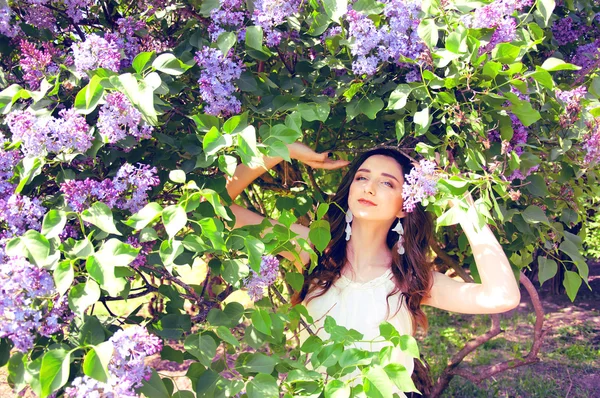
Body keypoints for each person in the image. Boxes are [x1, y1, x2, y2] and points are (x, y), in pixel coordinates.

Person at [225, 142, 521, 395]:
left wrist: (465, 206)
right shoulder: (311, 250)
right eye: (362, 177)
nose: (369, 187)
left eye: (387, 183)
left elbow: (502, 296)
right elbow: (216, 206)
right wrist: (283, 149)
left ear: (405, 205)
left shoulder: (412, 279)